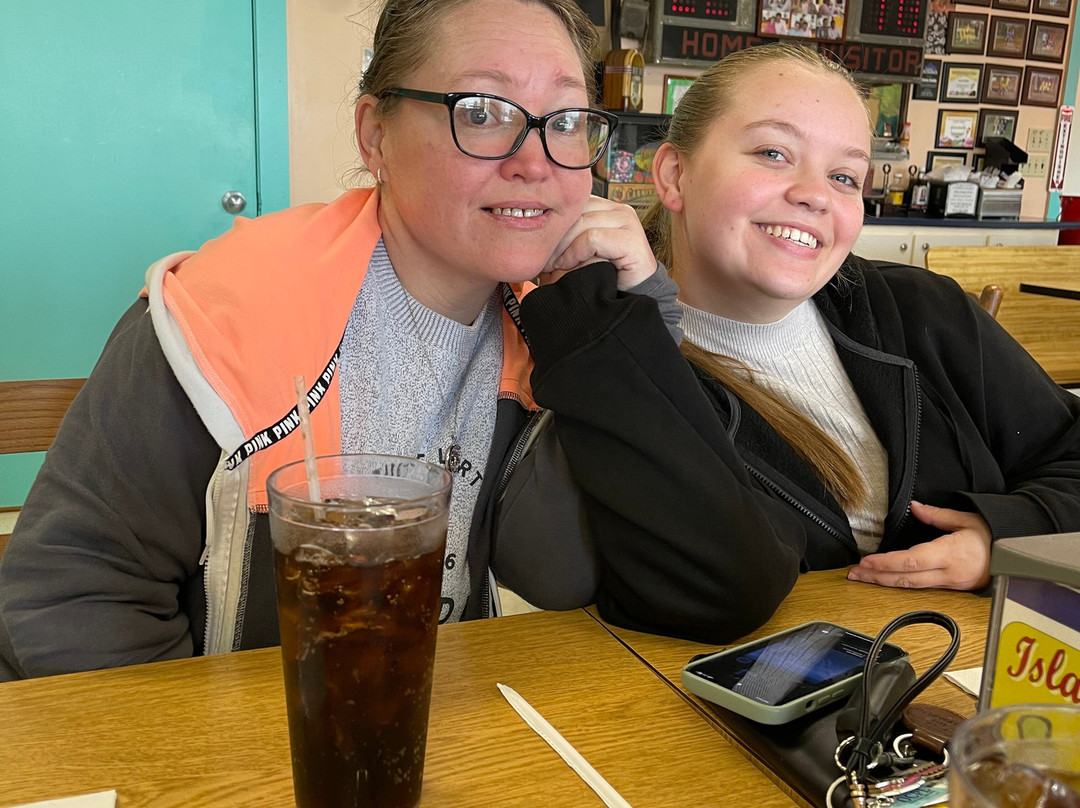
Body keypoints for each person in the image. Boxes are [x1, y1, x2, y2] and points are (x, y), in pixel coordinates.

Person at [0, 0, 669, 679]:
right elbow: (72, 595)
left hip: (432, 714)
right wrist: (214, 742)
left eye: (566, 120)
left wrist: (646, 321)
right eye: (481, 112)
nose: (535, 161)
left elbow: (589, 570)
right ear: (375, 135)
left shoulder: (556, 331)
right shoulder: (225, 311)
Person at [501, 43, 1080, 644]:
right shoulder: (618, 357)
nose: (816, 195)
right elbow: (675, 583)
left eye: (844, 177)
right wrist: (622, 319)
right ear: (674, 175)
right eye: (773, 153)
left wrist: (1005, 536)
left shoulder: (923, 311)